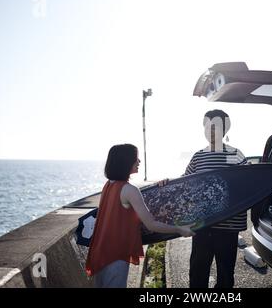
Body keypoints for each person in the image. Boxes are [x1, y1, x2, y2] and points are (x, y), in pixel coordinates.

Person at [85, 144, 195, 288]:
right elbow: (151, 224)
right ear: (125, 162)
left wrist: (156, 189)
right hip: (115, 255)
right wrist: (180, 229)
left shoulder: (109, 185)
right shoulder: (130, 190)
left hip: (100, 252)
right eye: (135, 158)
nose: (139, 161)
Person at [185, 109, 247, 288]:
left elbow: (247, 185)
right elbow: (185, 184)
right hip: (202, 225)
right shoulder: (199, 156)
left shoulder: (235, 155)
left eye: (216, 128)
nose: (210, 132)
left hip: (228, 226)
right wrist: (167, 183)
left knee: (226, 273)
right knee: (197, 270)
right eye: (207, 127)